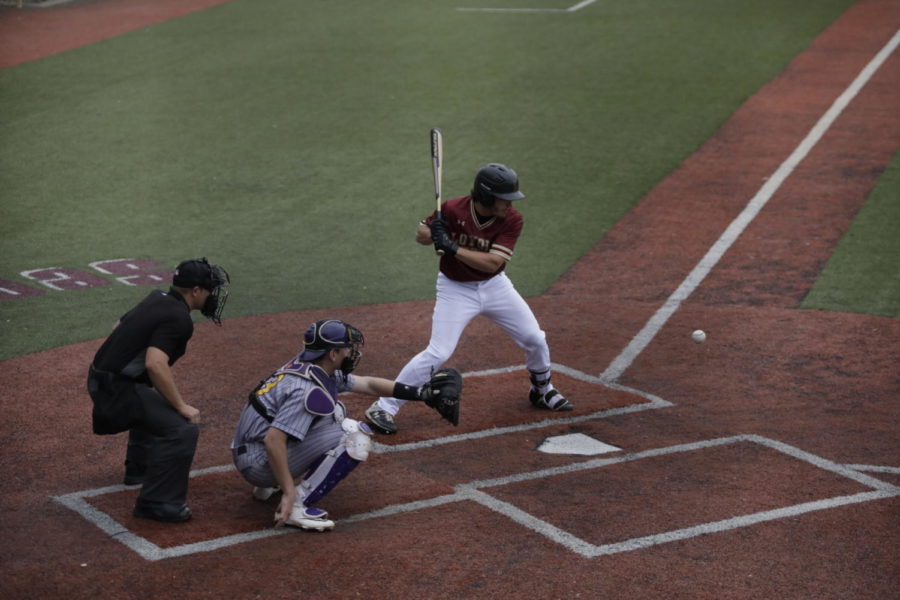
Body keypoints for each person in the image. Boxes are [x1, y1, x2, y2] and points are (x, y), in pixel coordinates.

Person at [365, 163, 571, 435]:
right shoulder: (452, 209)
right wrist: (433, 232)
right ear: (486, 196)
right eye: (504, 199)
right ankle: (384, 406)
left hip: (495, 286)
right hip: (455, 289)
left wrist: (451, 246)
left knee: (535, 338)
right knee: (439, 352)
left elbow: (492, 263)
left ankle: (542, 390)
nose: (510, 205)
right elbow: (420, 235)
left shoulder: (512, 220)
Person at [231, 318, 460, 531]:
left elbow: (368, 384)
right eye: (347, 348)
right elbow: (273, 440)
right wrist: (289, 489)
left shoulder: (310, 366)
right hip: (258, 461)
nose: (352, 352)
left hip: (248, 449)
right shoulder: (307, 389)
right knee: (355, 436)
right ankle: (296, 504)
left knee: (335, 412)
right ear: (333, 354)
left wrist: (420, 393)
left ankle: (269, 486)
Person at [87, 257, 230, 523]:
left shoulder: (157, 298)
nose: (213, 295)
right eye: (210, 289)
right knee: (181, 428)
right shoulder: (179, 318)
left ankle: (138, 470)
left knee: (148, 395)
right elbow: (155, 363)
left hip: (102, 377)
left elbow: (119, 327)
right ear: (196, 291)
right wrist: (181, 406)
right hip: (115, 388)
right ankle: (157, 503)